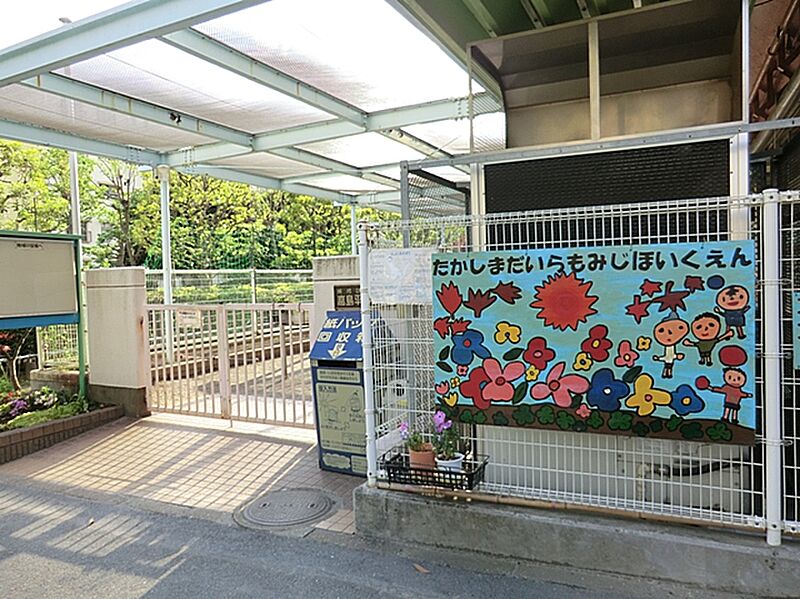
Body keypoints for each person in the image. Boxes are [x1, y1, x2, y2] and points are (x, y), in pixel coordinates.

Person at [652, 313, 689, 379]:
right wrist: (658, 358)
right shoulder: (669, 348)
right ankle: (666, 374)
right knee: (667, 367)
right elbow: (668, 356)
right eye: (662, 330)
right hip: (668, 360)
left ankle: (667, 374)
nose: (669, 333)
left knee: (668, 367)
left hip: (669, 360)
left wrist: (677, 356)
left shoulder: (671, 348)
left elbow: (670, 356)